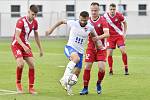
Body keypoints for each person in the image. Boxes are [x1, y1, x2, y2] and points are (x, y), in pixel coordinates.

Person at [45, 11, 103, 95]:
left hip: (80, 52)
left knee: (77, 73)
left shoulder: (90, 27)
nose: (82, 22)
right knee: (76, 58)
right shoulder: (73, 23)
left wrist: (98, 45)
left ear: (87, 19)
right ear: (79, 18)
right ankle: (64, 78)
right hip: (70, 47)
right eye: (81, 20)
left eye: (85, 21)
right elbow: (61, 21)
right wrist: (51, 30)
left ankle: (68, 87)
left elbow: (94, 36)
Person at [11, 5, 43, 94]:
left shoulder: (35, 22)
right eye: (33, 14)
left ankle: (31, 88)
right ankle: (18, 84)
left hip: (25, 45)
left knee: (32, 64)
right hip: (17, 44)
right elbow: (17, 36)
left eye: (35, 15)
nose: (34, 16)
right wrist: (24, 46)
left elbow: (36, 36)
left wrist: (40, 49)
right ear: (28, 11)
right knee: (21, 64)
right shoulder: (21, 21)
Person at [80, 2, 109, 95]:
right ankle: (85, 88)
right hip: (90, 48)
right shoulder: (87, 21)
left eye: (95, 10)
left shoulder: (103, 20)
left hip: (101, 48)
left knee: (101, 69)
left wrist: (98, 38)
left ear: (98, 10)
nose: (93, 12)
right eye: (92, 10)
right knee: (87, 66)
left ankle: (98, 83)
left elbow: (107, 34)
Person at [103, 3, 129, 75]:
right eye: (111, 9)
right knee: (109, 53)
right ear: (109, 9)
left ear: (115, 9)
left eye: (113, 9)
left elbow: (125, 23)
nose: (112, 11)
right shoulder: (105, 16)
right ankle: (111, 69)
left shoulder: (119, 15)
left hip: (119, 36)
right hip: (110, 37)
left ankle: (126, 67)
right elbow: (102, 25)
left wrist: (124, 33)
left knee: (123, 51)